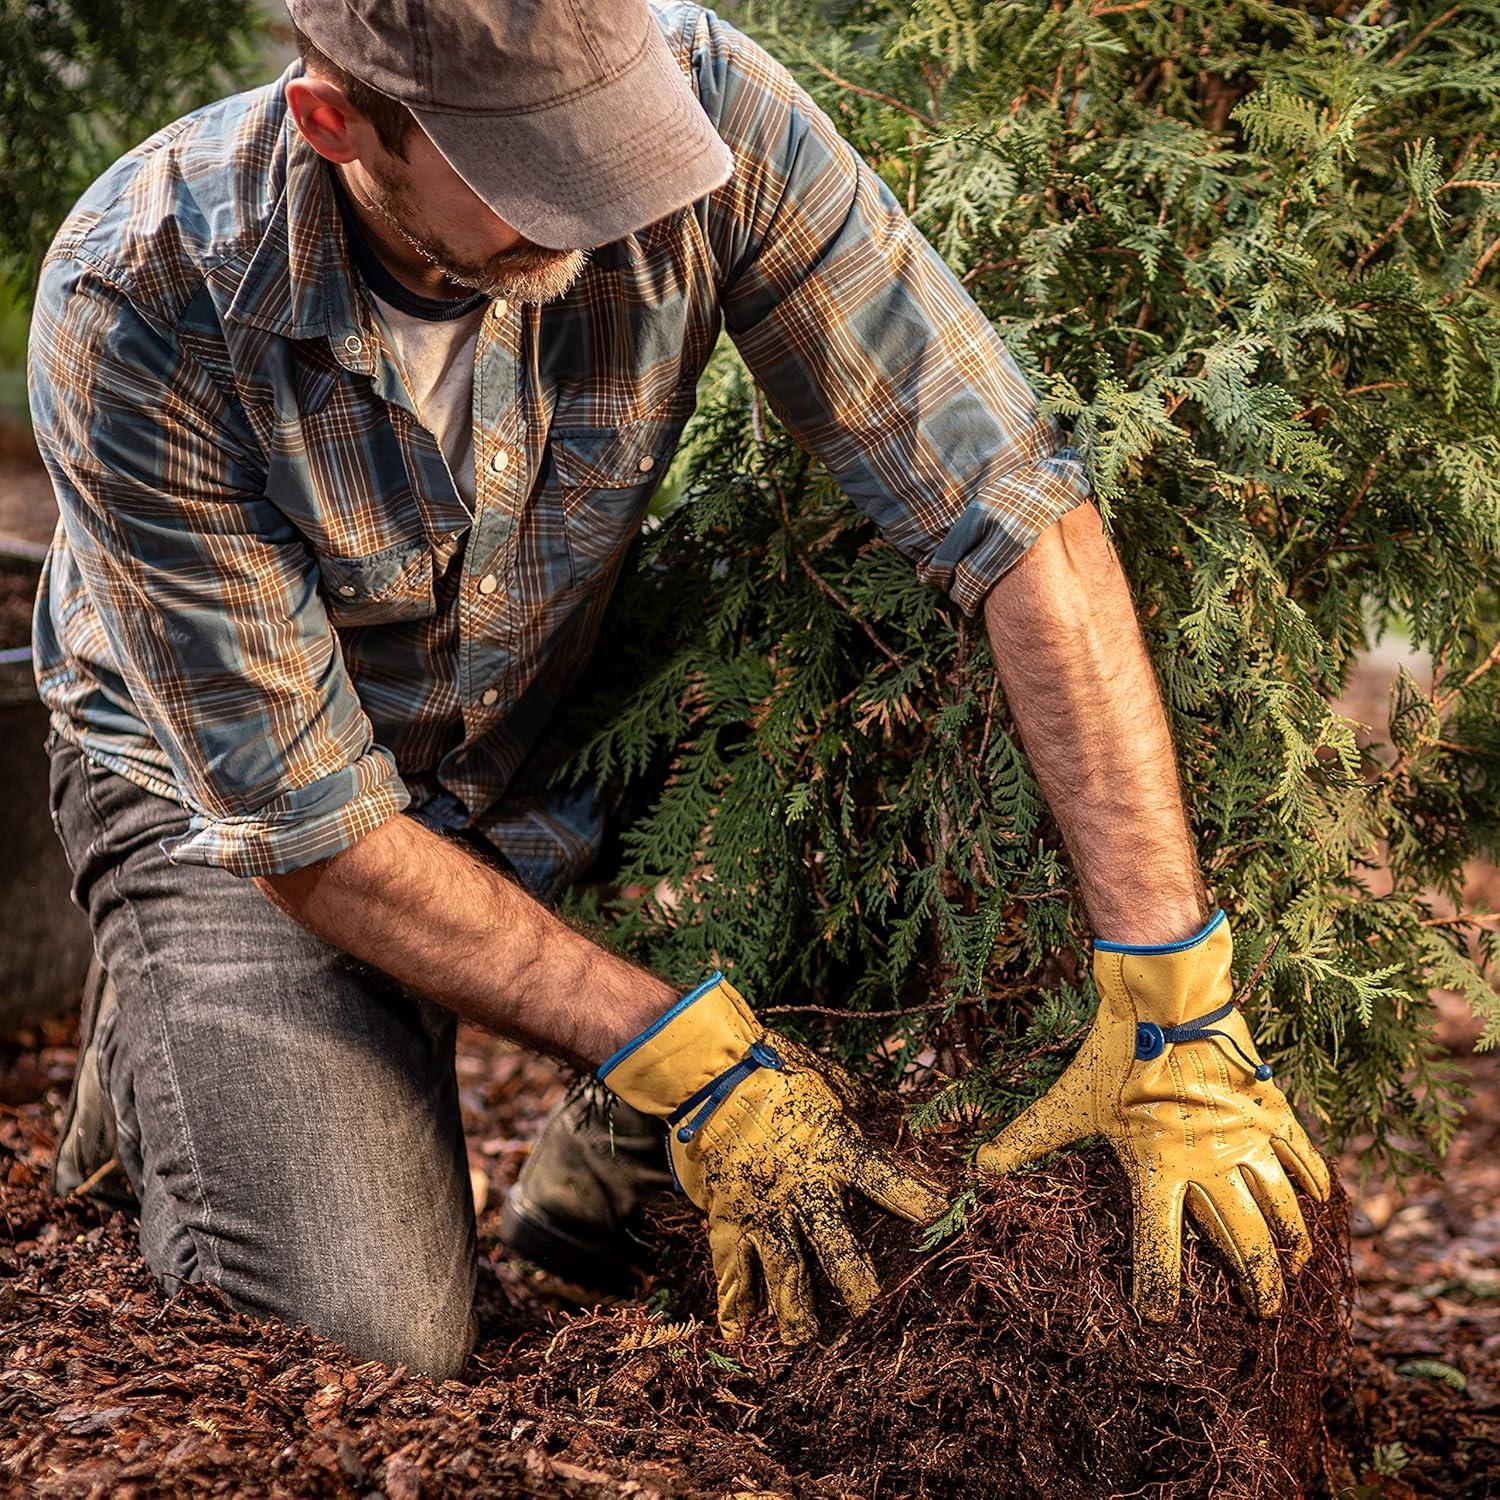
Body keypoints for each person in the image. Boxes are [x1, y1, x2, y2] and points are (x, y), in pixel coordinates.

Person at [29, 0, 1327, 1380]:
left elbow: (1012, 509)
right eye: (540, 176)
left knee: (883, 658)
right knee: (370, 1341)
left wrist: (1173, 987)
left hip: (539, 712)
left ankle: (600, 1198)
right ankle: (185, 1012)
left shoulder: (710, 100)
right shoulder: (141, 294)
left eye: (616, 148)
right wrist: (691, 1058)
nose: (600, 214)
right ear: (336, 121)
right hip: (239, 808)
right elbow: (311, 826)